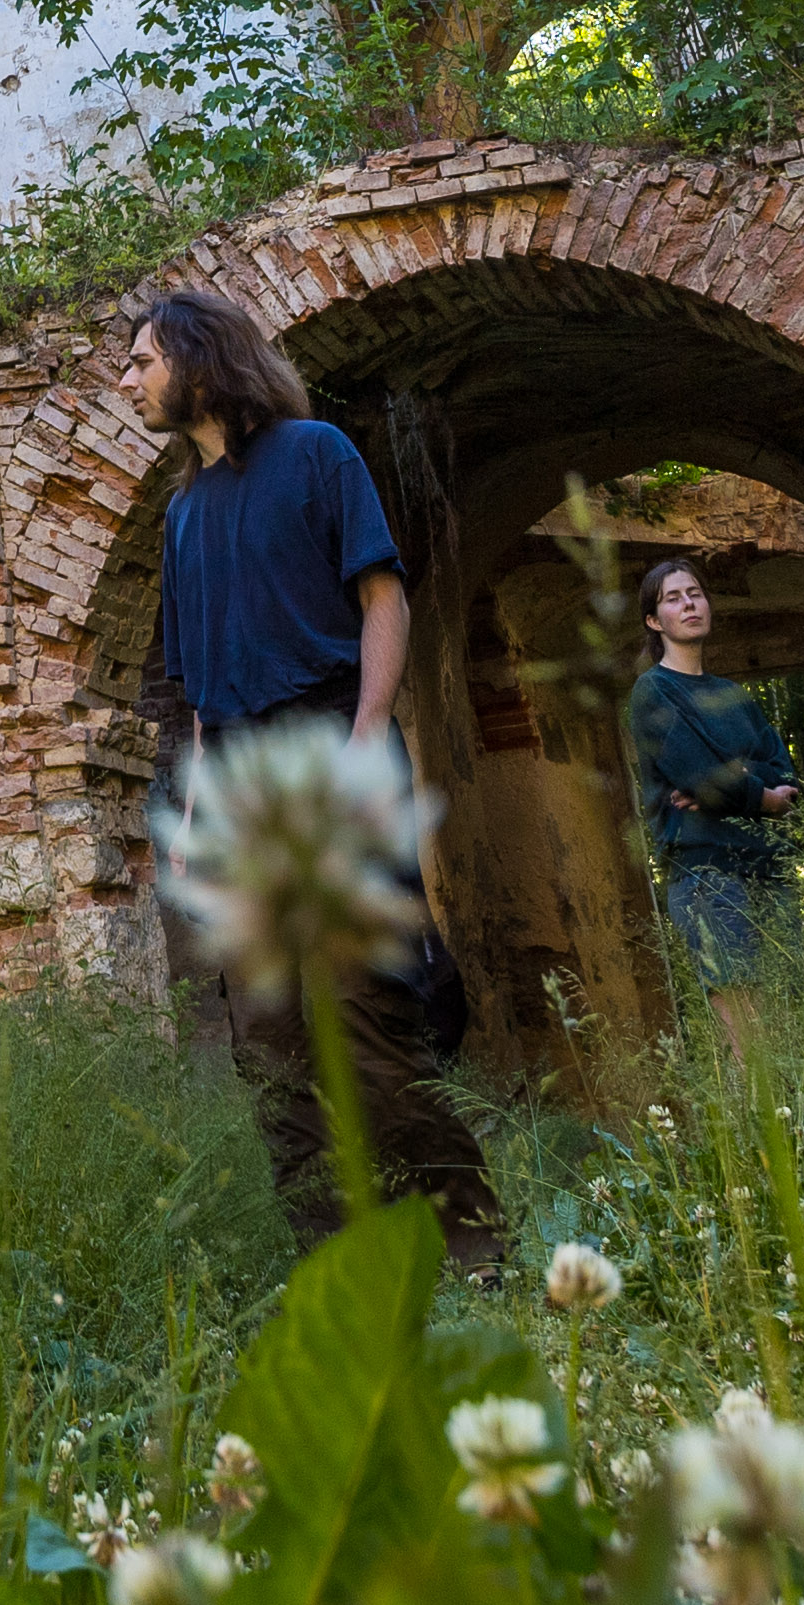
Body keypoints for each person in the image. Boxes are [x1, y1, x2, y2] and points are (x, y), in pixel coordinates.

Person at [138, 286, 507, 1276]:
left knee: (366, 1014)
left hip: (328, 741)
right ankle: (334, 1261)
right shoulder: (182, 516)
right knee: (266, 1039)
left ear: (200, 361)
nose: (132, 378)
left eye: (144, 359)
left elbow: (382, 599)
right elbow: (207, 700)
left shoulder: (319, 454)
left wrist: (366, 735)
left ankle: (467, 1244)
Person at [624, 559, 802, 1050]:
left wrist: (740, 787)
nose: (689, 604)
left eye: (695, 593)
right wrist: (756, 794)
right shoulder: (653, 691)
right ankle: (762, 1125)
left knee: (788, 1015)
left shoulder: (733, 695)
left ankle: (803, 1124)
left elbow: (781, 770)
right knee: (746, 1029)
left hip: (768, 864)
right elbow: (698, 774)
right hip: (707, 872)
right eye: (673, 597)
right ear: (654, 621)